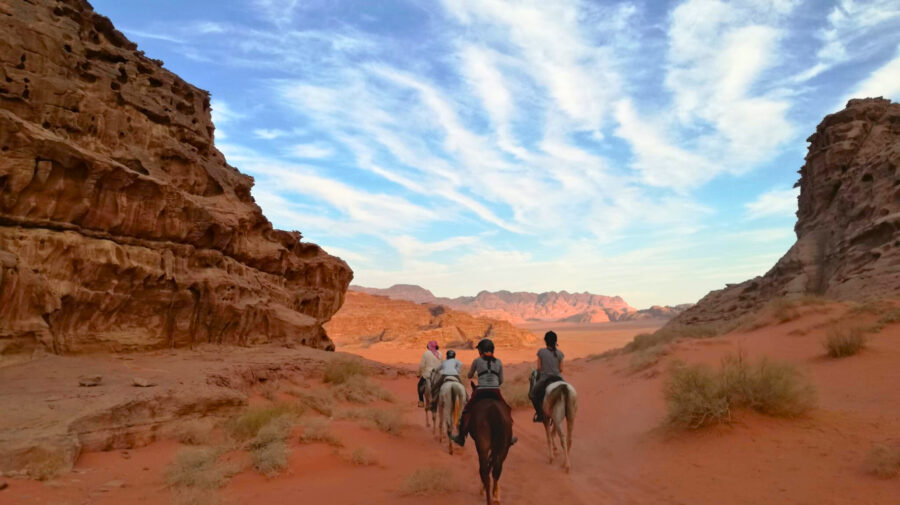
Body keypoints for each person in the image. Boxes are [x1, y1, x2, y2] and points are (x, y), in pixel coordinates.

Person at [451, 338, 517, 447]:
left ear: (481, 350)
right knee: (507, 409)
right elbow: (501, 380)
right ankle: (509, 437)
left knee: (466, 410)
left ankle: (461, 437)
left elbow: (469, 375)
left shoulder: (477, 361)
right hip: (495, 390)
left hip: (481, 390)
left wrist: (474, 374)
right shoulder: (499, 362)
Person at [531, 330, 565, 422]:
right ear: (555, 341)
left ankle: (540, 414)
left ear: (545, 341)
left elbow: (539, 368)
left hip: (545, 378)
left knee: (533, 394)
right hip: (559, 378)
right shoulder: (560, 353)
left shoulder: (541, 352)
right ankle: (566, 411)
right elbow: (561, 369)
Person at [417, 340, 441, 408]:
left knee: (419, 385)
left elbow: (422, 365)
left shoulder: (426, 353)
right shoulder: (440, 353)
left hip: (428, 374)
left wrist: (419, 373)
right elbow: (442, 364)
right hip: (438, 374)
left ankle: (421, 401)